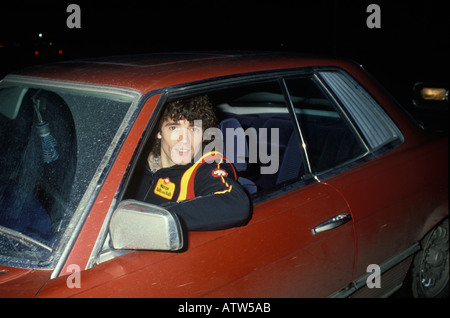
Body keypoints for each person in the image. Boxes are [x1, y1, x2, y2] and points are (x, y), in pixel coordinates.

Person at [135, 95, 251, 231]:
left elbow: (235, 203)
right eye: (174, 128)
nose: (185, 140)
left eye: (194, 129)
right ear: (158, 132)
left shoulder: (205, 167)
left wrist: (152, 220)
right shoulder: (133, 164)